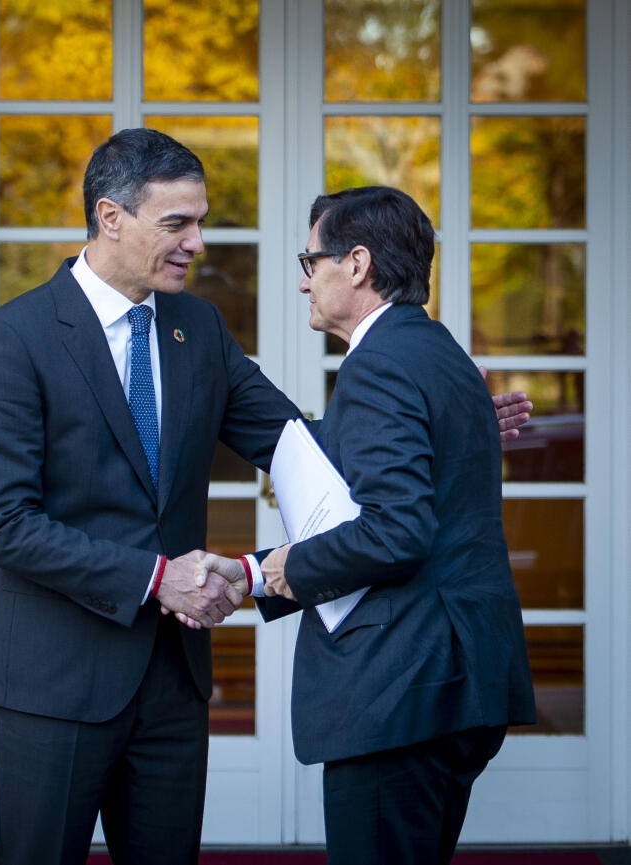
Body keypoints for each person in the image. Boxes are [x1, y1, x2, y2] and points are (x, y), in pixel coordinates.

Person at [0, 130, 532, 864]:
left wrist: (446, 423)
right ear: (110, 217)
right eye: (177, 224)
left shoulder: (196, 327)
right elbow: (5, 524)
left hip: (172, 679)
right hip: (52, 677)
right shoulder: (12, 338)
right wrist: (157, 577)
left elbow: (294, 438)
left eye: (199, 222)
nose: (197, 242)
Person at [190, 186, 536, 865]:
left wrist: (271, 570)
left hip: (399, 686)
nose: (301, 279)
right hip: (459, 679)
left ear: (355, 263)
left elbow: (395, 529)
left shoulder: (379, 362)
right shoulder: (438, 352)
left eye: (309, 259)